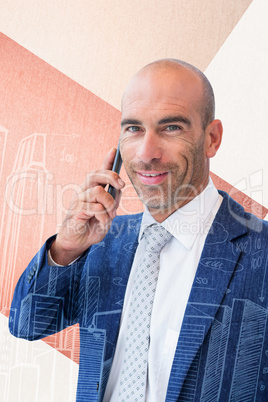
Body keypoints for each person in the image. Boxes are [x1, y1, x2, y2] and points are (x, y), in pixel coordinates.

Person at [9, 59, 268, 401]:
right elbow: (27, 324)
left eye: (171, 127)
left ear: (212, 138)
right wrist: (66, 248)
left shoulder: (260, 250)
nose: (147, 153)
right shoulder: (102, 240)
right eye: (133, 129)